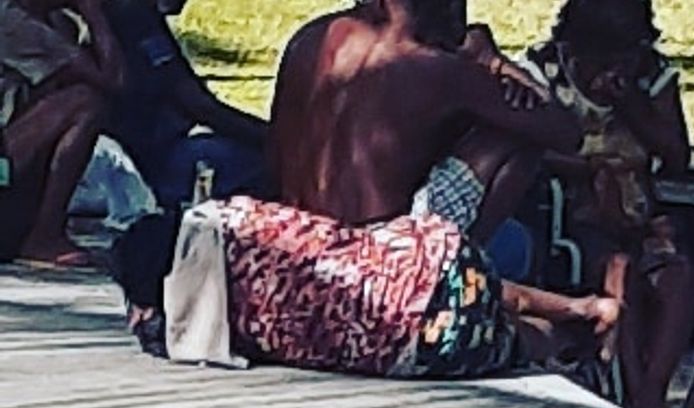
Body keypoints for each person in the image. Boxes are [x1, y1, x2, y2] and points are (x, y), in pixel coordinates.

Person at [155, 0, 622, 383]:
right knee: (513, 138)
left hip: (298, 239)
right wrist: (495, 64)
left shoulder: (310, 41)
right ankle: (457, 273)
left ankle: (470, 285)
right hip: (389, 255)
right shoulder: (438, 70)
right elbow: (564, 132)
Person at [519, 0, 694, 408]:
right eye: (607, 56)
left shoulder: (651, 76)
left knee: (677, 276)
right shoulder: (543, 72)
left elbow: (675, 154)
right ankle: (632, 393)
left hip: (640, 213)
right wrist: (588, 170)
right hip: (573, 218)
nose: (619, 66)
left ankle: (653, 393)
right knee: (620, 271)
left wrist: (633, 104)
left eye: (630, 54)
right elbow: (527, 148)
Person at [102, 0, 272, 209]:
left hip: (140, 159)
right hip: (150, 167)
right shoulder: (135, 17)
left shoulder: (124, 14)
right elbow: (196, 104)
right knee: (270, 167)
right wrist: (269, 138)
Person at [0, 0, 123, 264]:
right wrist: (94, 14)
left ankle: (30, 226)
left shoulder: (58, 23)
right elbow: (112, 79)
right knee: (84, 103)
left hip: (9, 163)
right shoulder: (13, 22)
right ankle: (43, 235)